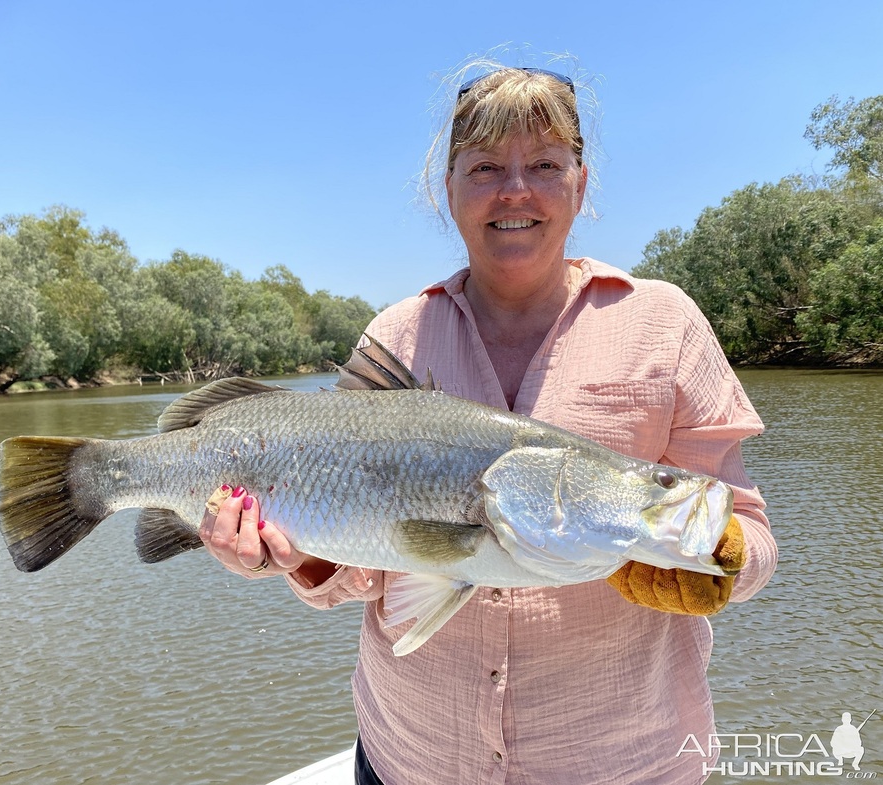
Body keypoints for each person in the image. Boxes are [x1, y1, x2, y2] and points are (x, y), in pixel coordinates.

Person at [199, 63, 777, 785]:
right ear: (449, 190)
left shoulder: (667, 324)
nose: (515, 191)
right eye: (485, 168)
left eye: (545, 164)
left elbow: (751, 535)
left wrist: (723, 557)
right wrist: (295, 556)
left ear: (580, 184)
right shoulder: (395, 336)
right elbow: (364, 571)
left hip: (627, 765)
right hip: (409, 760)